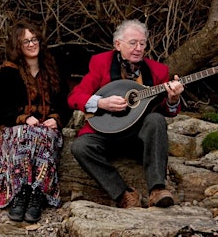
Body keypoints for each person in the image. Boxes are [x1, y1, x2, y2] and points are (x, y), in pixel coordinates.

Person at [68, 19, 184, 208]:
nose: (138, 48)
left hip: (138, 138)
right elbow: (75, 97)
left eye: (142, 43)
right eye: (132, 43)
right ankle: (123, 195)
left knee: (156, 119)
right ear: (118, 44)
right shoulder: (100, 63)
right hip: (105, 134)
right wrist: (102, 103)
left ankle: (157, 190)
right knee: (80, 147)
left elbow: (167, 110)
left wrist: (173, 99)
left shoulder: (158, 71)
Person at [0, 20, 72, 223]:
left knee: (42, 136)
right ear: (18, 46)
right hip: (17, 128)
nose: (32, 45)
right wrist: (23, 118)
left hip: (46, 129)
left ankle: (37, 195)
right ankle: (21, 193)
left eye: (34, 40)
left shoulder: (52, 67)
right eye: (26, 42)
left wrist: (55, 119)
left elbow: (65, 103)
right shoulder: (9, 71)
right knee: (24, 135)